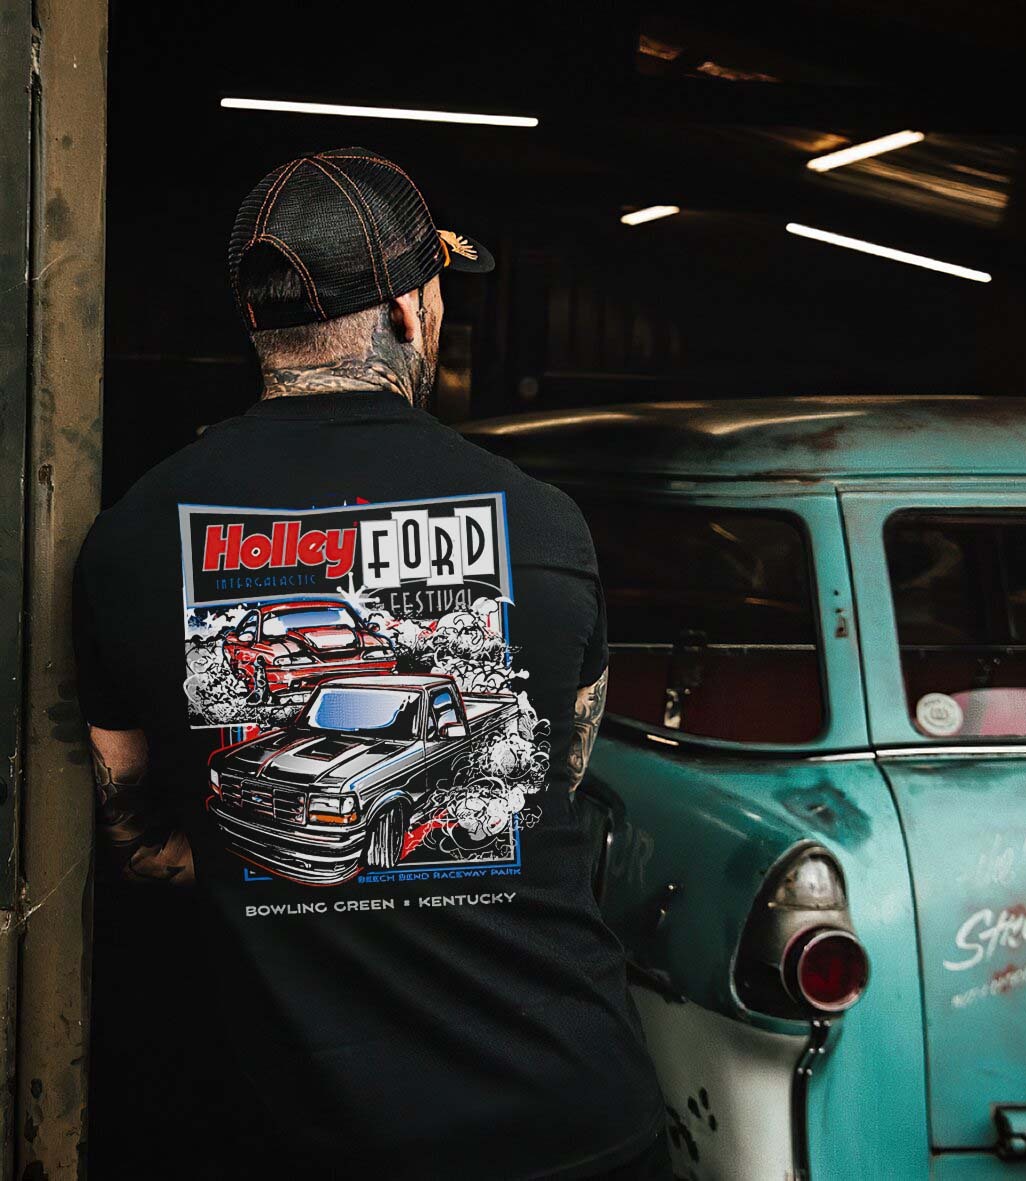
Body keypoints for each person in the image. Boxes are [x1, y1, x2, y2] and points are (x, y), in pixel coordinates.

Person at [74, 147, 669, 1179]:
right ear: (407, 312)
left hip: (292, 1125)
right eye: (438, 290)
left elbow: (136, 835)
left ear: (258, 321)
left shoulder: (129, 538)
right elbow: (555, 783)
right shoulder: (543, 523)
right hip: (561, 1117)